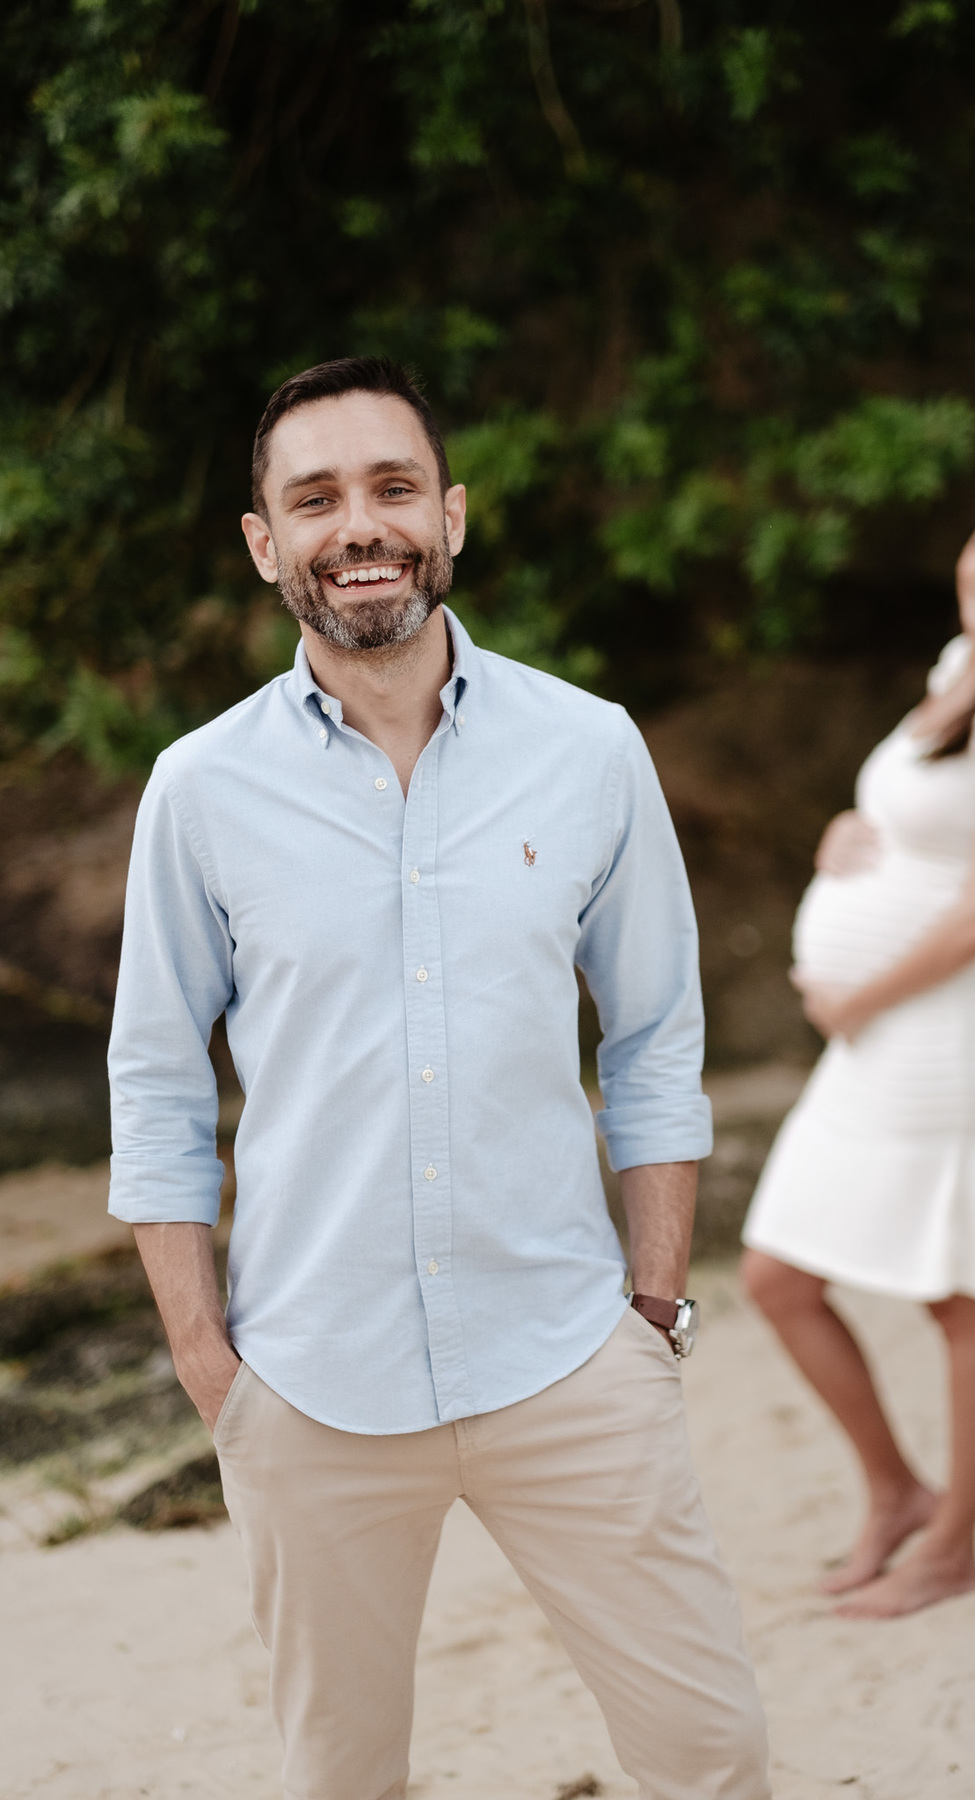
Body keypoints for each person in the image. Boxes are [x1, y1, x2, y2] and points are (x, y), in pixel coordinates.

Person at [108, 356, 771, 1799]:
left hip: (570, 1357)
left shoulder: (591, 751)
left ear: (451, 517)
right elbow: (156, 1086)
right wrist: (211, 1367)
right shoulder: (200, 790)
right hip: (308, 1385)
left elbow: (657, 1039)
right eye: (318, 497)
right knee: (342, 1780)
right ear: (265, 541)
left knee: (710, 1755)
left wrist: (651, 1315)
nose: (362, 525)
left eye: (393, 488)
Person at [741, 464, 975, 1620]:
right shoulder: (961, 675)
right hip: (889, 1037)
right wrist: (849, 833)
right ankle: (901, 1493)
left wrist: (859, 999)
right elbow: (913, 828)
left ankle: (954, 1547)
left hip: (947, 1035)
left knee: (959, 1298)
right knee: (775, 1275)